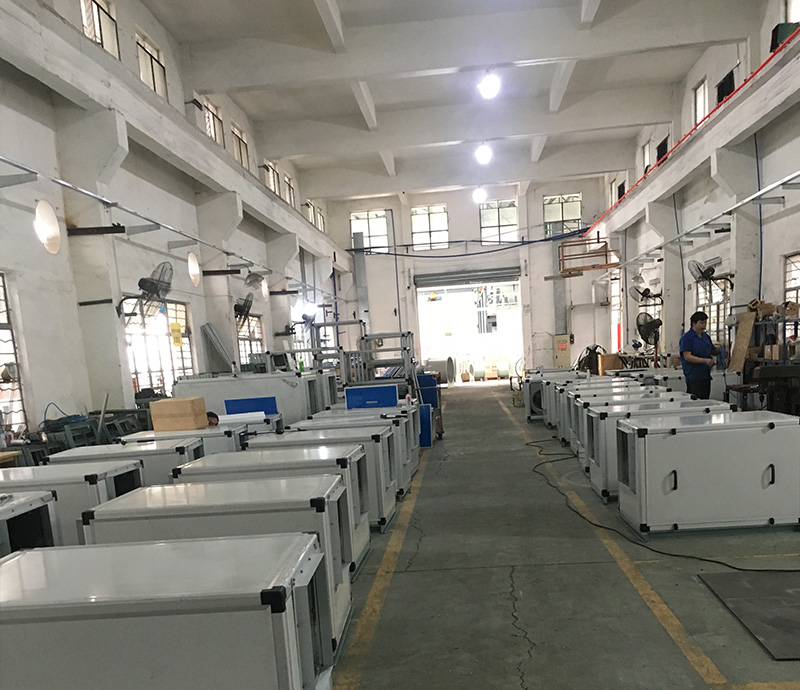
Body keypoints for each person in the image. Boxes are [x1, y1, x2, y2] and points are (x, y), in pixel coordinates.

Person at [679, 311, 719, 399]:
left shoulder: (706, 337)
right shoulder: (687, 338)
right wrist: (705, 361)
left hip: (705, 375)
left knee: (705, 400)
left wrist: (719, 350)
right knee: (695, 401)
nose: (704, 325)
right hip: (694, 376)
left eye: (705, 323)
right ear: (694, 323)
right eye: (701, 323)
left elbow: (712, 350)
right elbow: (687, 356)